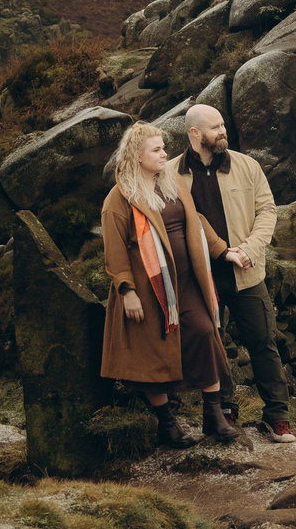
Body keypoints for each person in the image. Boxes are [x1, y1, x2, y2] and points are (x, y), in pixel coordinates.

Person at [98, 121, 237, 447]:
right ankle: (168, 425)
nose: (165, 154)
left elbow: (196, 220)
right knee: (154, 357)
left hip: (187, 283)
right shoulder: (119, 199)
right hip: (151, 292)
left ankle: (213, 416)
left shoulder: (171, 182)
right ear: (137, 155)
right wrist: (126, 290)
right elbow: (114, 251)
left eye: (163, 147)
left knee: (205, 334)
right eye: (157, 149)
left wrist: (222, 250)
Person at [168, 104, 295, 443]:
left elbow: (267, 211)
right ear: (195, 134)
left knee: (264, 341)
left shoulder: (247, 166)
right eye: (215, 127)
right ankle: (224, 411)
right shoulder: (171, 174)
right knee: (214, 344)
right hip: (200, 278)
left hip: (246, 273)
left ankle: (278, 416)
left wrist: (250, 250)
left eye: (223, 124)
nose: (223, 131)